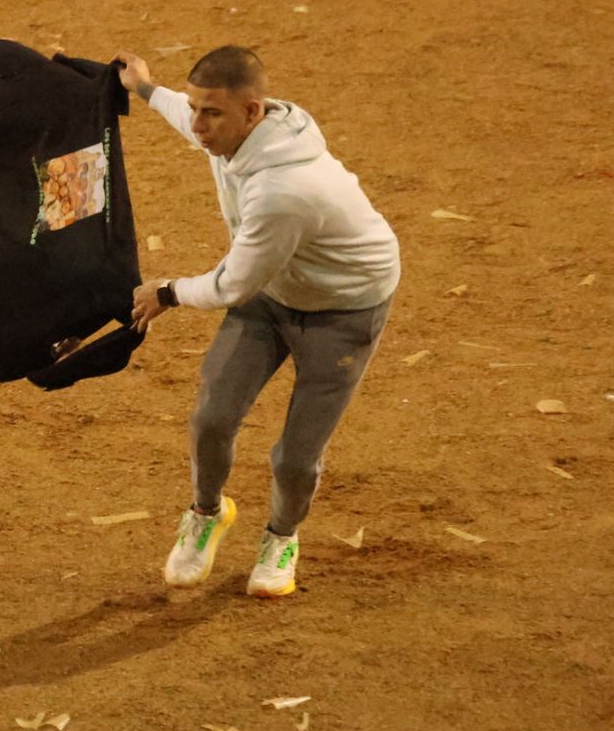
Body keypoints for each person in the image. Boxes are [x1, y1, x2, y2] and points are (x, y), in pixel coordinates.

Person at [115, 45, 400, 597]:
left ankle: (281, 537)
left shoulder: (283, 190)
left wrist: (166, 293)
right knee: (211, 419)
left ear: (253, 112)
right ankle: (207, 513)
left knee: (295, 458)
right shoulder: (233, 133)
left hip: (344, 310)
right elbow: (188, 116)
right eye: (196, 107)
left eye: (211, 113)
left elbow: (232, 285)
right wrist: (145, 88)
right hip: (275, 290)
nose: (198, 124)